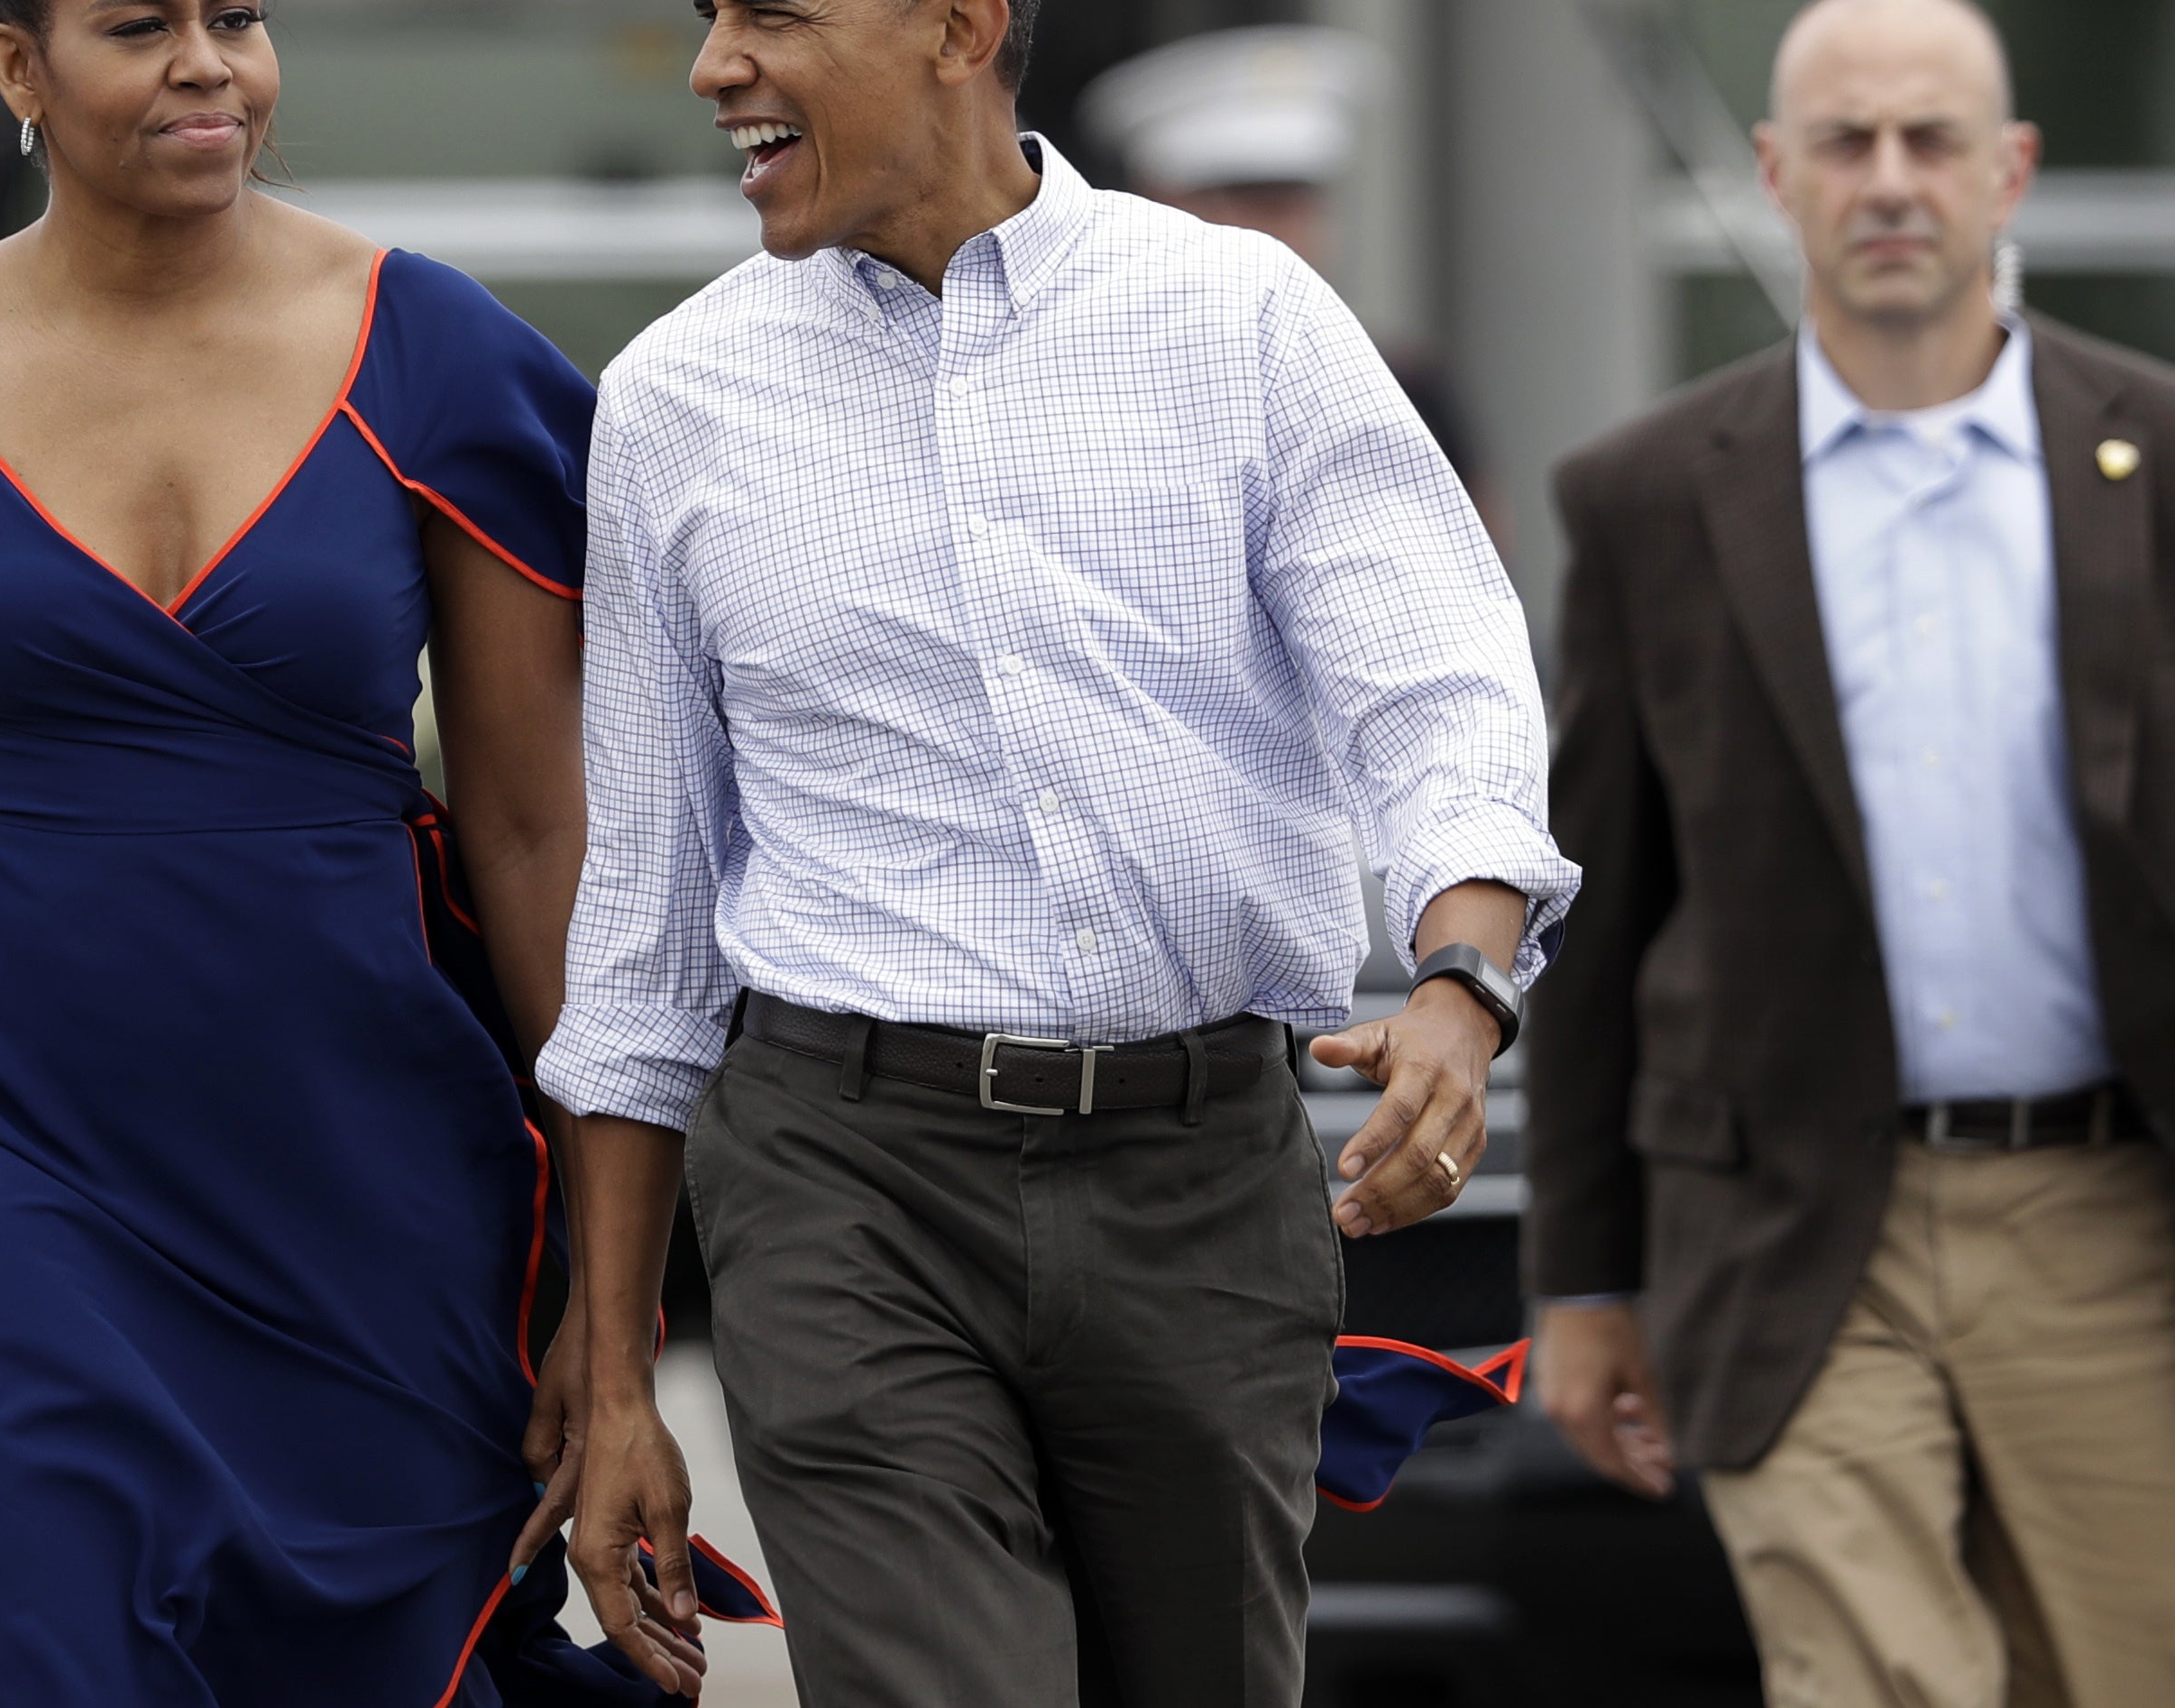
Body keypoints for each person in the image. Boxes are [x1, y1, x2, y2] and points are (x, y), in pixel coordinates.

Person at [0, 2, 691, 1701]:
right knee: (29, 1645)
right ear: (16, 69)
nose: (206, 63)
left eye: (235, 16)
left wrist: (609, 1322)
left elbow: (542, 837)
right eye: (135, 24)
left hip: (356, 1177)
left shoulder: (435, 359)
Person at [537, 0, 1578, 1702]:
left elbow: (1436, 684)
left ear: (957, 27)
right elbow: (642, 944)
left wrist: (1461, 979)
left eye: (771, 13)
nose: (714, 63)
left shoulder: (1240, 319)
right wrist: (609, 1383)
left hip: (1203, 1184)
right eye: (705, 15)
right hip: (839, 1180)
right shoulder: (670, 403)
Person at [1528, 2, 2175, 1703]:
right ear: (1772, 171)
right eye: (1842, 141)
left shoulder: (2156, 460)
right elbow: (1597, 911)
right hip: (1789, 1223)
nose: (1888, 181)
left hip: (2112, 1216)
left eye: (1929, 139)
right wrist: (1583, 1279)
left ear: (2008, 170)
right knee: (1878, 1678)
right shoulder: (1647, 495)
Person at [1081, 25, 1500, 546]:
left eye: (1304, 201)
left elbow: (1471, 568)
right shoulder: (1089, 380)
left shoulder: (1406, 382)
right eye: (1257, 201)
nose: (1292, 231)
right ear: (1161, 202)